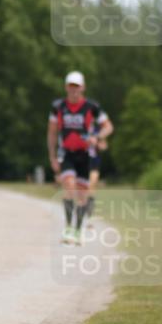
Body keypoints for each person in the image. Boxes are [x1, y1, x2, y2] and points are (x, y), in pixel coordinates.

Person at [47, 71, 113, 245]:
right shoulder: (58, 107)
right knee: (68, 186)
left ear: (82, 87)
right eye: (70, 86)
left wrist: (97, 138)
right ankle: (68, 228)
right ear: (66, 87)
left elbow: (108, 127)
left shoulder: (92, 107)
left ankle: (78, 229)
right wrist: (52, 156)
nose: (73, 90)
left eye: (77, 86)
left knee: (82, 194)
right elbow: (52, 133)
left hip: (85, 155)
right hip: (66, 153)